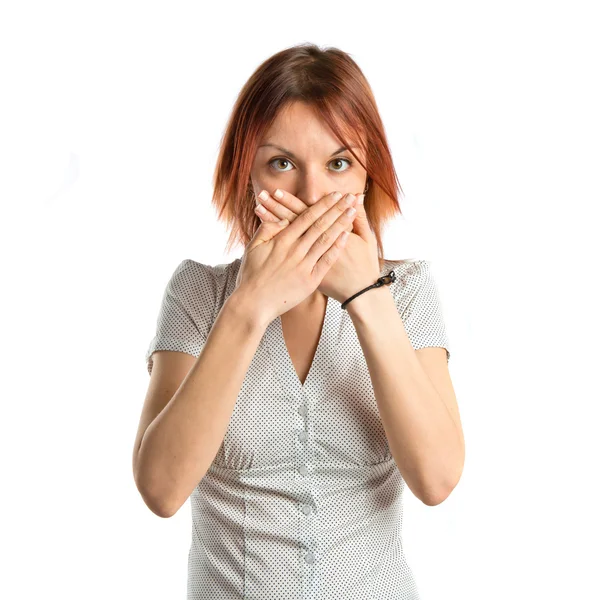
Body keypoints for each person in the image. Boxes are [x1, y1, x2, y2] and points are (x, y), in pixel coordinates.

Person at [133, 42, 464, 600]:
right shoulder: (199, 293)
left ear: (367, 177)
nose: (313, 197)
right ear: (248, 176)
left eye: (338, 164)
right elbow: (161, 490)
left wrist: (366, 296)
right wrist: (249, 304)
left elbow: (436, 480)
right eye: (282, 164)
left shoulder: (406, 293)